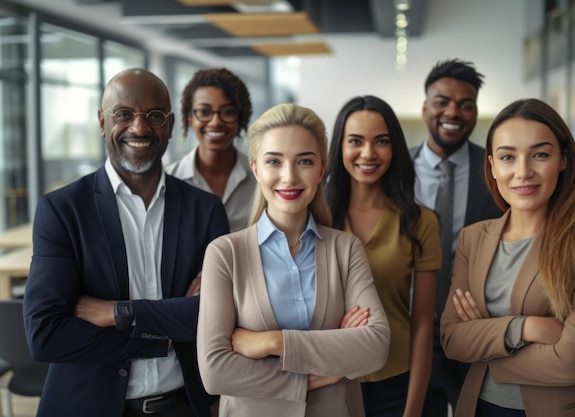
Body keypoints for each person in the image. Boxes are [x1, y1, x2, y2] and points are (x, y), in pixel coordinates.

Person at [23, 68, 229, 417]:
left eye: (154, 116)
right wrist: (165, 334)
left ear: (170, 123)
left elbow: (218, 316)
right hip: (86, 406)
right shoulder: (62, 210)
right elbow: (46, 334)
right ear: (103, 122)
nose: (139, 128)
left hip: (183, 406)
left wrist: (117, 312)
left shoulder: (206, 210)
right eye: (124, 114)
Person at [197, 103, 391, 417]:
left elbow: (375, 347)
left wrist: (273, 342)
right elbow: (215, 371)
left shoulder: (346, 249)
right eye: (274, 161)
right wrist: (328, 370)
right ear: (256, 168)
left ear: (321, 169)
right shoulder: (225, 254)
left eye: (304, 161)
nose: (289, 177)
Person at [440, 98, 575, 417]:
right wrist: (525, 328)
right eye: (508, 157)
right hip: (479, 407)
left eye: (540, 154)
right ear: (492, 166)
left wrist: (485, 342)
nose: (523, 172)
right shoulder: (473, 238)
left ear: (563, 160)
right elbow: (453, 340)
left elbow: (572, 362)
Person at [326, 95, 441, 416]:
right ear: (340, 147)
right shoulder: (314, 217)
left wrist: (413, 407)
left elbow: (421, 325)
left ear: (395, 149)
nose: (368, 153)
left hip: (399, 382)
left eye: (381, 141)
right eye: (355, 141)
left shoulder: (421, 222)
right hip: (331, 379)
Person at [409, 59, 501, 416]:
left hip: (477, 335)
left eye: (466, 104)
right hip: (411, 338)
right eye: (442, 101)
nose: (454, 111)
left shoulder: (497, 171)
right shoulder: (396, 173)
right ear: (425, 108)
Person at [166, 67, 256, 231]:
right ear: (190, 117)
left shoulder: (261, 180)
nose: (215, 122)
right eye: (204, 112)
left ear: (240, 118)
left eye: (228, 112)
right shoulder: (168, 181)